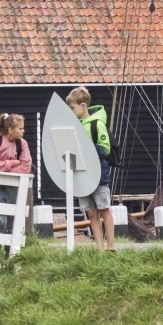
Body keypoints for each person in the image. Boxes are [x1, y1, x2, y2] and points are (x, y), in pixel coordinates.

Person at [64, 87, 115, 250]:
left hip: (98, 174)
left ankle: (111, 247)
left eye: (72, 108)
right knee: (91, 212)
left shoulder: (97, 124)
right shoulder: (75, 125)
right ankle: (99, 248)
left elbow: (105, 149)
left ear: (83, 105)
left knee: (104, 210)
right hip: (82, 174)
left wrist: (86, 146)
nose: (71, 111)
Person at [0, 113, 33, 256]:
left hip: (13, 187)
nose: (23, 131)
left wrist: (5, 168)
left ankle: (9, 258)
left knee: (12, 223)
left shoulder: (22, 144)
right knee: (1, 221)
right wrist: (13, 163)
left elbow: (26, 166)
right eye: (20, 128)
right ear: (10, 129)